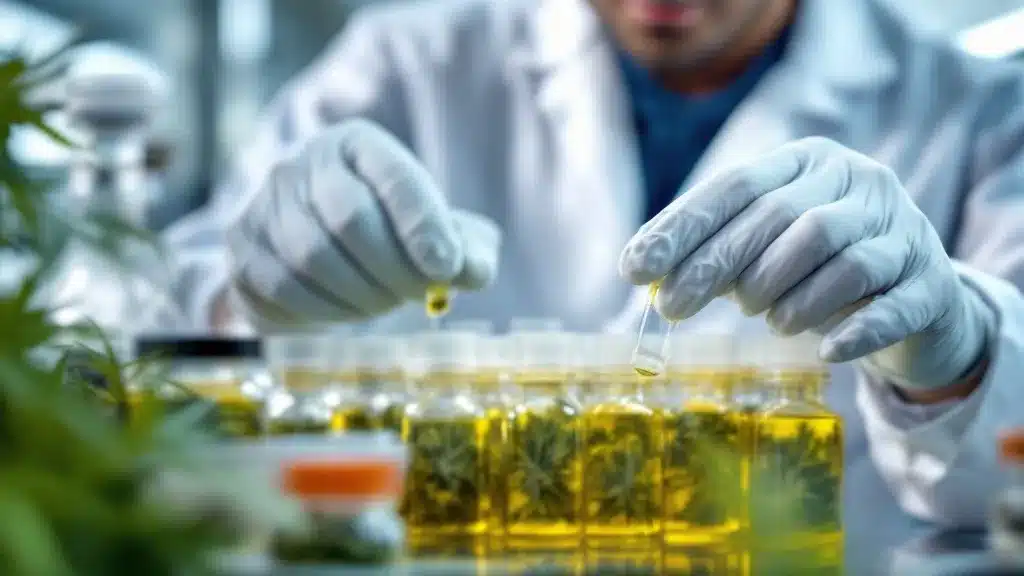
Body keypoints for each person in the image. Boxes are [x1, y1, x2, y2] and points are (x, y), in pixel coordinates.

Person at [165, 0, 1024, 550]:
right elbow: (126, 323)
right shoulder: (405, 64)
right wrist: (245, 297)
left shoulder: (979, 109)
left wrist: (961, 352)